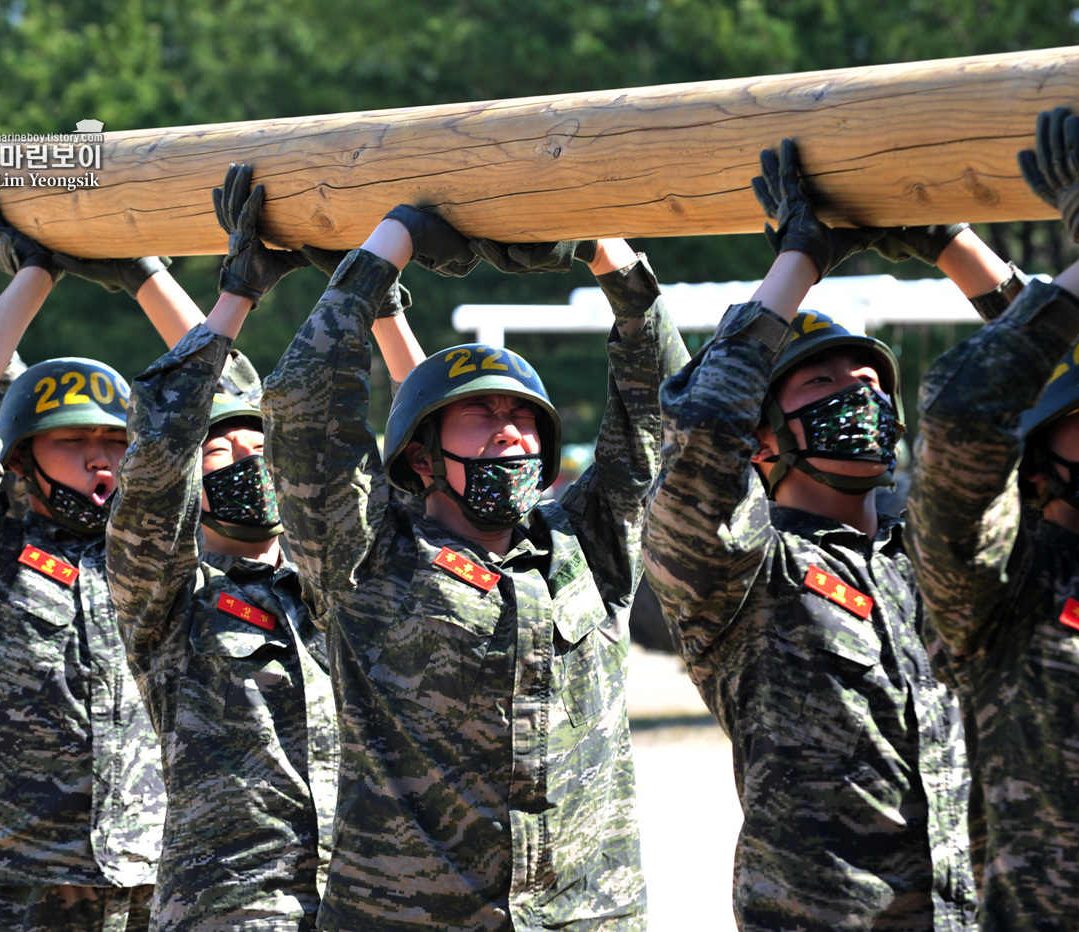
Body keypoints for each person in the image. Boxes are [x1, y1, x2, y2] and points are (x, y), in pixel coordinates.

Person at [262, 196, 687, 930]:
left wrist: (603, 252)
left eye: (523, 416)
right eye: (481, 416)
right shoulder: (365, 557)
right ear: (422, 456)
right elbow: (304, 407)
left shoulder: (587, 548)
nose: (509, 433)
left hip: (584, 916)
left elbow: (663, 408)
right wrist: (389, 247)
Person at [642, 137, 1029, 930]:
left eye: (871, 386)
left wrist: (949, 243)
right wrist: (799, 259)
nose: (860, 399)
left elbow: (1064, 393)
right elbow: (701, 437)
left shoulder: (935, 558)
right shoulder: (743, 574)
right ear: (762, 438)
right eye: (823, 384)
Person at [104, 163, 426, 931]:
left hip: (369, 902)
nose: (251, 459)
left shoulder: (347, 578)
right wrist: (235, 297)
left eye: (264, 445)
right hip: (233, 910)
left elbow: (426, 445)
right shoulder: (167, 599)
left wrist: (379, 304)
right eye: (223, 451)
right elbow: (155, 467)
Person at [908, 107, 1079, 930]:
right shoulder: (1000, 588)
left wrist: (969, 254)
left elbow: (1068, 362)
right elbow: (963, 423)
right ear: (1035, 451)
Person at [0, 198, 169, 932]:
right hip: (6, 888)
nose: (99, 457)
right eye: (71, 441)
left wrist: (142, 273)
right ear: (20, 460)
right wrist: (37, 272)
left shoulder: (153, 551)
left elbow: (234, 404)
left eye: (115, 442)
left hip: (143, 887)